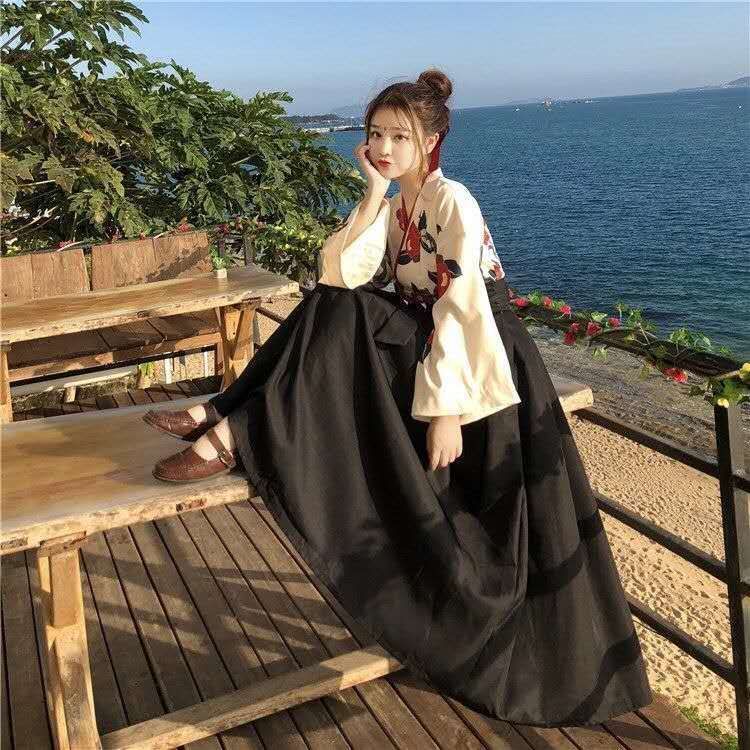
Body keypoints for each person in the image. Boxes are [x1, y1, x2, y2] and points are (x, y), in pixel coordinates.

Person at [144, 69, 652, 727]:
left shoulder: (452, 200)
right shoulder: (398, 204)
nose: (384, 147)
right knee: (335, 303)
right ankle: (227, 420)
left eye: (399, 137)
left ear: (431, 142)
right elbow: (338, 273)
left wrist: (445, 411)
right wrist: (372, 192)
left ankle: (226, 420)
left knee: (343, 313)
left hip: (478, 357)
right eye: (375, 134)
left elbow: (463, 305)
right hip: (428, 342)